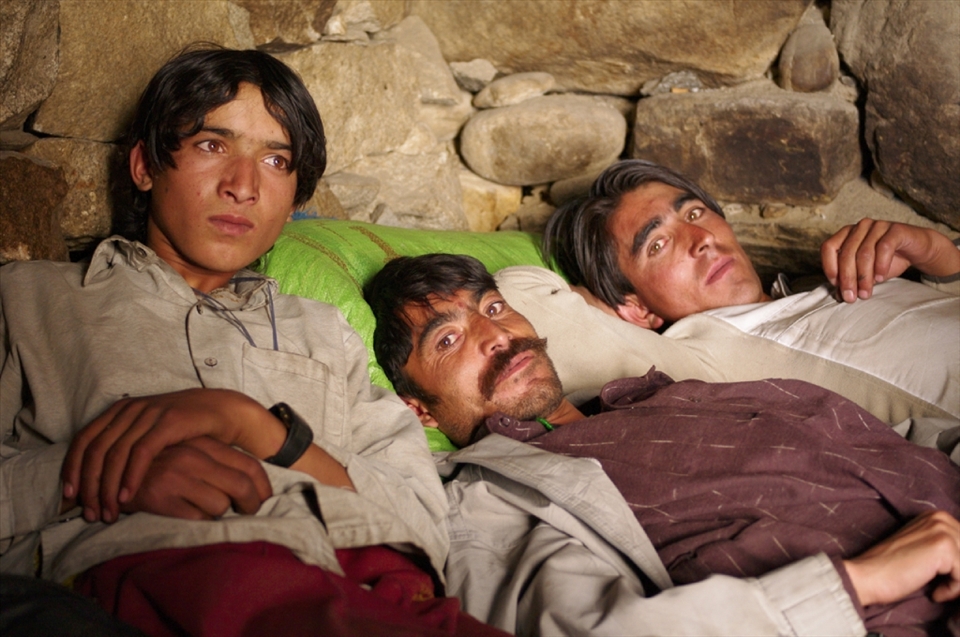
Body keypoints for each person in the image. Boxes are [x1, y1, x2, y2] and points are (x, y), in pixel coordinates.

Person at [0, 47, 506, 637]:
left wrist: (259, 430)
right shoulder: (29, 301)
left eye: (275, 160)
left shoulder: (325, 333)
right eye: (212, 145)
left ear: (294, 201)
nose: (243, 186)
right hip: (152, 574)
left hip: (373, 588)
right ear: (144, 166)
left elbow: (421, 516)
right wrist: (95, 473)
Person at [365, 253, 960, 637]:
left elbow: (895, 442)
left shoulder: (671, 394)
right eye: (448, 339)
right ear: (418, 409)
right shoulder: (493, 498)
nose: (496, 336)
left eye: (494, 308)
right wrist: (865, 581)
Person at [543, 159, 960, 330]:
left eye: (693, 214)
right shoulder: (705, 377)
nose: (701, 239)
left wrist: (941, 258)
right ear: (635, 308)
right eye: (657, 244)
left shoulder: (837, 275)